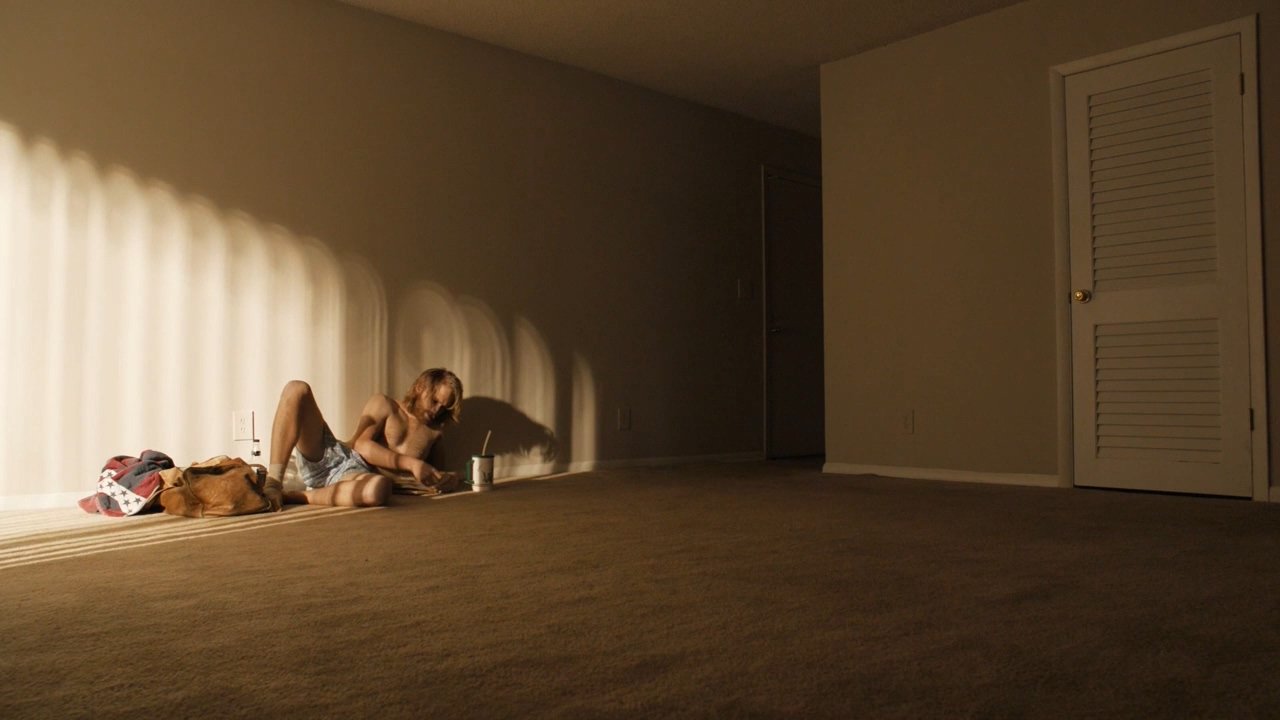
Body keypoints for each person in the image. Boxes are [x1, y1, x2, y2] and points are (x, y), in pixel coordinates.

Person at [263, 369, 464, 508]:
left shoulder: (434, 433)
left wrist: (447, 480)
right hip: (336, 454)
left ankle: (297, 497)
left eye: (443, 407)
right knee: (297, 388)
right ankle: (273, 485)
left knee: (379, 490)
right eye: (435, 401)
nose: (437, 410)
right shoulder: (385, 404)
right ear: (421, 387)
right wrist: (413, 464)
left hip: (356, 476)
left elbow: (433, 476)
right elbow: (361, 445)